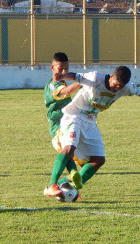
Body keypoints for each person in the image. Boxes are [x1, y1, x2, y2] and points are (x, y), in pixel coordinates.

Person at [44, 65, 140, 197]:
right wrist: (62, 76)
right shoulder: (95, 78)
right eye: (115, 84)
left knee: (98, 159)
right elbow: (75, 76)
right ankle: (52, 185)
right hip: (74, 115)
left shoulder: (126, 87)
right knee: (69, 148)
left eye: (120, 86)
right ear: (111, 77)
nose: (116, 88)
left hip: (90, 121)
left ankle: (69, 188)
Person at [43, 52, 86, 193]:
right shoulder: (53, 86)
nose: (63, 72)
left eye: (66, 69)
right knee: (66, 150)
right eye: (60, 68)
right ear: (52, 68)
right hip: (58, 127)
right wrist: (83, 81)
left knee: (77, 158)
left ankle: (66, 185)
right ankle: (53, 185)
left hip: (69, 124)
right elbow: (65, 92)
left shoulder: (61, 82)